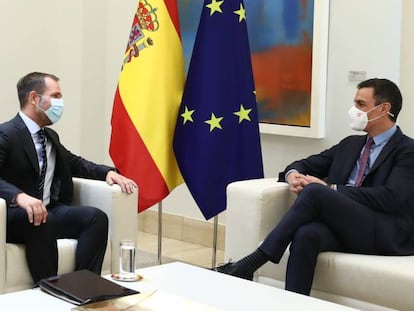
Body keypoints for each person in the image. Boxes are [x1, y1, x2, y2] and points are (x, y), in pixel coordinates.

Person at [216, 78, 414, 295]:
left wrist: (331, 189)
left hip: (384, 232)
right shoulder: (351, 144)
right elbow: (303, 164)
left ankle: (252, 262)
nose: (353, 110)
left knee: (316, 191)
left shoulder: (407, 150)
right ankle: (294, 303)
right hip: (348, 228)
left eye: (361, 105)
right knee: (306, 234)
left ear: (384, 108)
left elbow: (391, 197)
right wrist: (293, 175)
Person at [0, 72, 138, 283]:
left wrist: (108, 173)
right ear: (34, 98)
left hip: (49, 211)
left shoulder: (49, 136)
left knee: (96, 218)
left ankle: (84, 285)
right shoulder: (6, 134)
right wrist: (19, 196)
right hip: (14, 216)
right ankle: (50, 289)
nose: (60, 103)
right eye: (55, 96)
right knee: (41, 220)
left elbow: (75, 163)